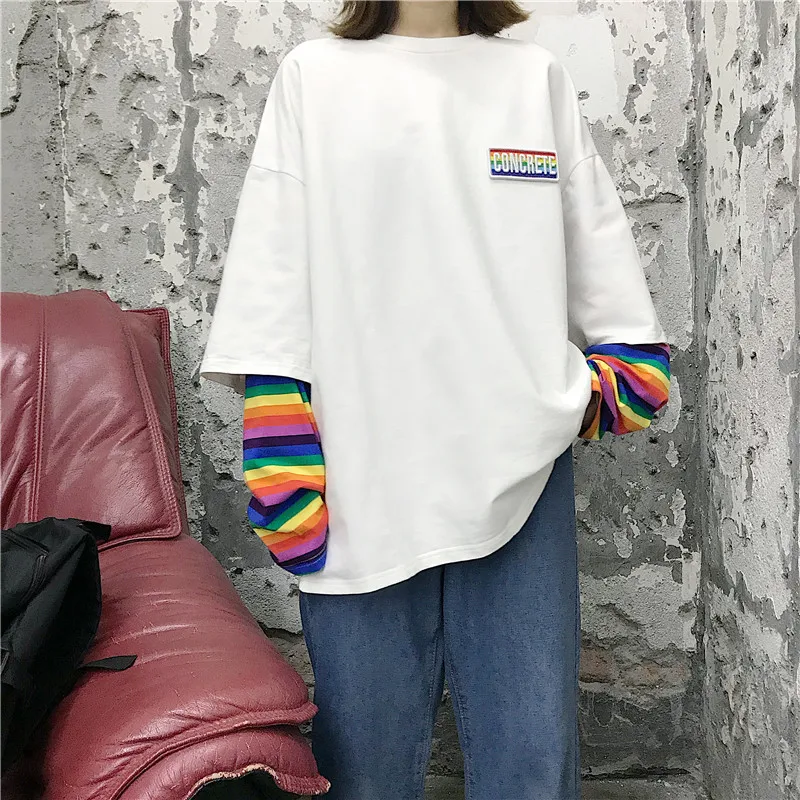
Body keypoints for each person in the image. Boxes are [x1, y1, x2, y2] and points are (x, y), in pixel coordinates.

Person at [200, 1, 671, 798]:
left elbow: (598, 254)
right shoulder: (315, 78)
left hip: (522, 470)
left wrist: (594, 387)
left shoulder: (532, 79)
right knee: (364, 766)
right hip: (360, 467)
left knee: (532, 763)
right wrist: (279, 437)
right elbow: (274, 269)